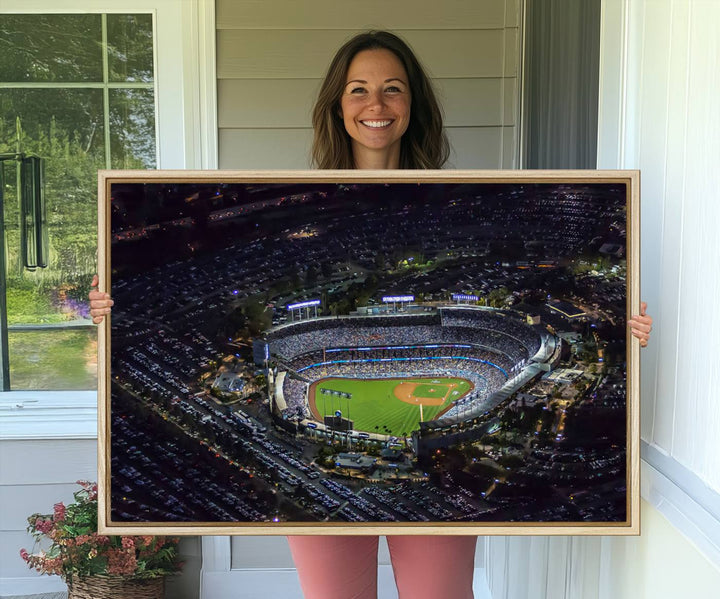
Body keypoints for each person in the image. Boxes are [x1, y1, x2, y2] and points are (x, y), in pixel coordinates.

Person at [90, 30, 653, 599]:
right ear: (338, 105)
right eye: (359, 90)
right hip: (325, 478)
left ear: (413, 106)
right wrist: (115, 306)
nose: (376, 105)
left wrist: (622, 328)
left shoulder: (461, 202)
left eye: (392, 89)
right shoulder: (301, 209)